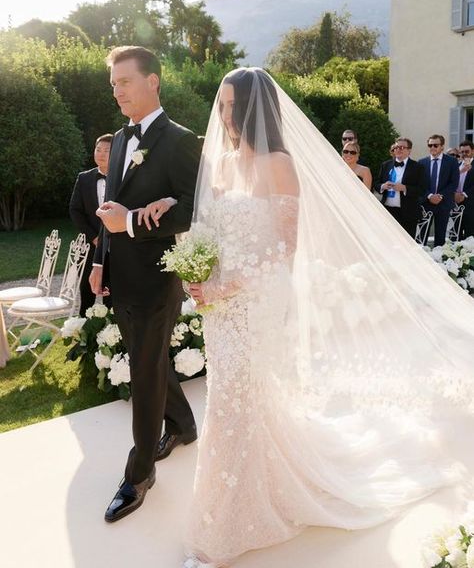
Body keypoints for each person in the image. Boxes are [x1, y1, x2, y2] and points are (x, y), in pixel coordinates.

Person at [139, 68, 474, 567]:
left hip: (257, 299)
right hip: (218, 303)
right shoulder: (223, 162)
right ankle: (255, 489)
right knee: (234, 399)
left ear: (255, 110)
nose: (224, 114)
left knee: (237, 399)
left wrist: (231, 283)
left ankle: (224, 526)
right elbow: (208, 223)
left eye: (232, 105)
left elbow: (282, 248)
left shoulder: (278, 163)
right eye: (222, 103)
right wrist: (196, 264)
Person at [89, 46, 201, 523]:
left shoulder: (181, 141)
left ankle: (138, 475)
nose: (117, 91)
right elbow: (109, 208)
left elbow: (193, 209)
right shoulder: (119, 140)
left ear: (152, 81)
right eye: (113, 84)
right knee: (149, 360)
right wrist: (101, 259)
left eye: (125, 82)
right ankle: (182, 424)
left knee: (144, 370)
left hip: (158, 280)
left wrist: (132, 222)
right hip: (120, 274)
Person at [69, 134, 114, 316]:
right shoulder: (84, 178)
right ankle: (82, 330)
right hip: (91, 245)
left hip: (115, 246)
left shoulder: (124, 180)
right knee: (86, 289)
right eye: (98, 149)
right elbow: (75, 210)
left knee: (112, 291)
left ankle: (113, 334)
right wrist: (94, 237)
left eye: (106, 150)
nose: (101, 154)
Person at [374, 137, 426, 238]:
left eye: (402, 147)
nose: (398, 149)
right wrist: (383, 186)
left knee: (408, 244)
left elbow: (422, 190)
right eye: (396, 147)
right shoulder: (386, 165)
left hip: (408, 213)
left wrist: (404, 188)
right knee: (388, 241)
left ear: (409, 150)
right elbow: (376, 184)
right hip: (388, 211)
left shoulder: (418, 167)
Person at [419, 134, 460, 246]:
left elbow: (454, 183)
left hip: (444, 203)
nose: (432, 147)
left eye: (435, 145)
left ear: (442, 146)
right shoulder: (422, 162)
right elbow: (420, 184)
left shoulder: (452, 162)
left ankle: (438, 261)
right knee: (422, 236)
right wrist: (430, 196)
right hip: (426, 203)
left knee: (440, 237)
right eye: (430, 145)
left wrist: (440, 196)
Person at [455, 139, 474, 239]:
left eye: (467, 151)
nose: (464, 154)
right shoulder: (456, 166)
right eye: (462, 152)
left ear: (473, 151)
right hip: (455, 205)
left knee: (470, 235)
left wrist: (464, 195)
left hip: (470, 205)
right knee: (455, 234)